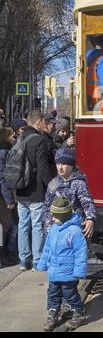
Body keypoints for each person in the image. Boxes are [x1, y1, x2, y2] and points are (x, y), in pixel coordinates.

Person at [37, 196, 88, 331]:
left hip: (68, 273)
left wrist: (79, 271)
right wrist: (42, 263)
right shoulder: (54, 228)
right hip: (54, 272)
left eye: (56, 216)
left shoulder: (75, 231)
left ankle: (79, 313)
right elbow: (47, 248)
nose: (53, 218)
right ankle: (52, 313)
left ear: (64, 216)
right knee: (52, 294)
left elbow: (80, 253)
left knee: (70, 294)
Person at [16, 110, 53, 271]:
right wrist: (53, 186)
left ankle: (24, 261)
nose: (45, 125)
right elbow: (43, 168)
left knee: (23, 225)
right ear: (38, 122)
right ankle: (37, 261)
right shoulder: (39, 140)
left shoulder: (20, 138)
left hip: (20, 190)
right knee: (37, 225)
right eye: (44, 122)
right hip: (36, 190)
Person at [42, 148, 96, 239]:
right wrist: (48, 225)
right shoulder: (53, 184)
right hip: (55, 229)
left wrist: (90, 219)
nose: (60, 167)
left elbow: (87, 203)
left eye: (64, 164)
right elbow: (46, 207)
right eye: (58, 164)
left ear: (71, 165)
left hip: (73, 229)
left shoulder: (79, 183)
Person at [0, 127, 16, 266]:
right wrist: (9, 200)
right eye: (12, 136)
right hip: (2, 197)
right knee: (5, 226)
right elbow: (2, 178)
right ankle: (4, 255)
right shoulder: (3, 153)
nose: (14, 138)